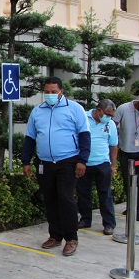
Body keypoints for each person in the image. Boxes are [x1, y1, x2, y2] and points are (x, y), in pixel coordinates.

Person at [21, 76, 90, 257]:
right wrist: (26, 161)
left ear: (61, 92)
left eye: (54, 92)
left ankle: (71, 238)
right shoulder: (37, 111)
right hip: (44, 162)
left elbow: (84, 136)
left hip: (67, 161)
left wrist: (82, 160)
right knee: (50, 199)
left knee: (66, 198)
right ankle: (55, 235)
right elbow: (30, 138)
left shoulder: (75, 109)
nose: (50, 95)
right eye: (47, 92)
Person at [76, 99, 118, 235]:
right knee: (83, 193)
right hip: (84, 163)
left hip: (103, 163)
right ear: (99, 110)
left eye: (111, 115)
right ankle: (85, 219)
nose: (109, 117)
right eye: (107, 114)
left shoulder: (110, 124)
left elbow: (113, 145)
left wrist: (113, 165)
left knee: (105, 194)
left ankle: (109, 223)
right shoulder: (83, 118)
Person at [113, 93, 139, 222]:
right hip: (126, 151)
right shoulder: (123, 109)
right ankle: (130, 207)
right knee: (127, 181)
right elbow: (113, 125)